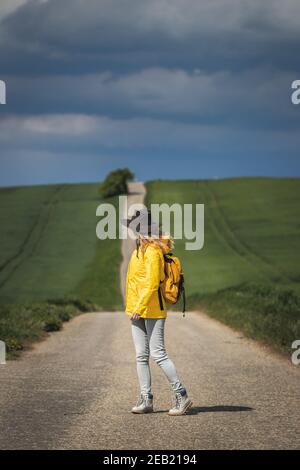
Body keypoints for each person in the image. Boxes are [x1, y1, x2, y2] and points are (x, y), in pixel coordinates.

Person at [124, 209, 192, 416]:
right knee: (141, 356)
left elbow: (153, 283)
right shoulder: (139, 250)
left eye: (139, 228)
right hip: (136, 309)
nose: (137, 232)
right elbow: (135, 281)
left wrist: (139, 307)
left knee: (158, 354)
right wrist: (133, 307)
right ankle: (146, 399)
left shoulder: (153, 251)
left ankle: (182, 395)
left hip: (151, 309)